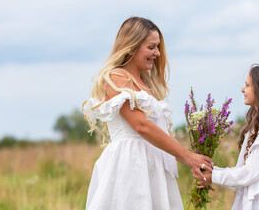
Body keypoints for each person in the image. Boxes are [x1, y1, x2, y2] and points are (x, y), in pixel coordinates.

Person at [82, 17, 212, 210]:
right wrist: (186, 156)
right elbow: (141, 126)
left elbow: (157, 131)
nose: (157, 53)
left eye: (158, 47)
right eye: (151, 47)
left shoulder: (146, 85)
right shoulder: (116, 77)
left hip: (152, 164)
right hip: (131, 164)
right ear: (132, 46)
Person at [192, 64, 259, 210]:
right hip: (254, 199)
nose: (242, 89)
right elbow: (243, 170)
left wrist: (213, 177)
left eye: (247, 85)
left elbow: (250, 173)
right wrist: (212, 171)